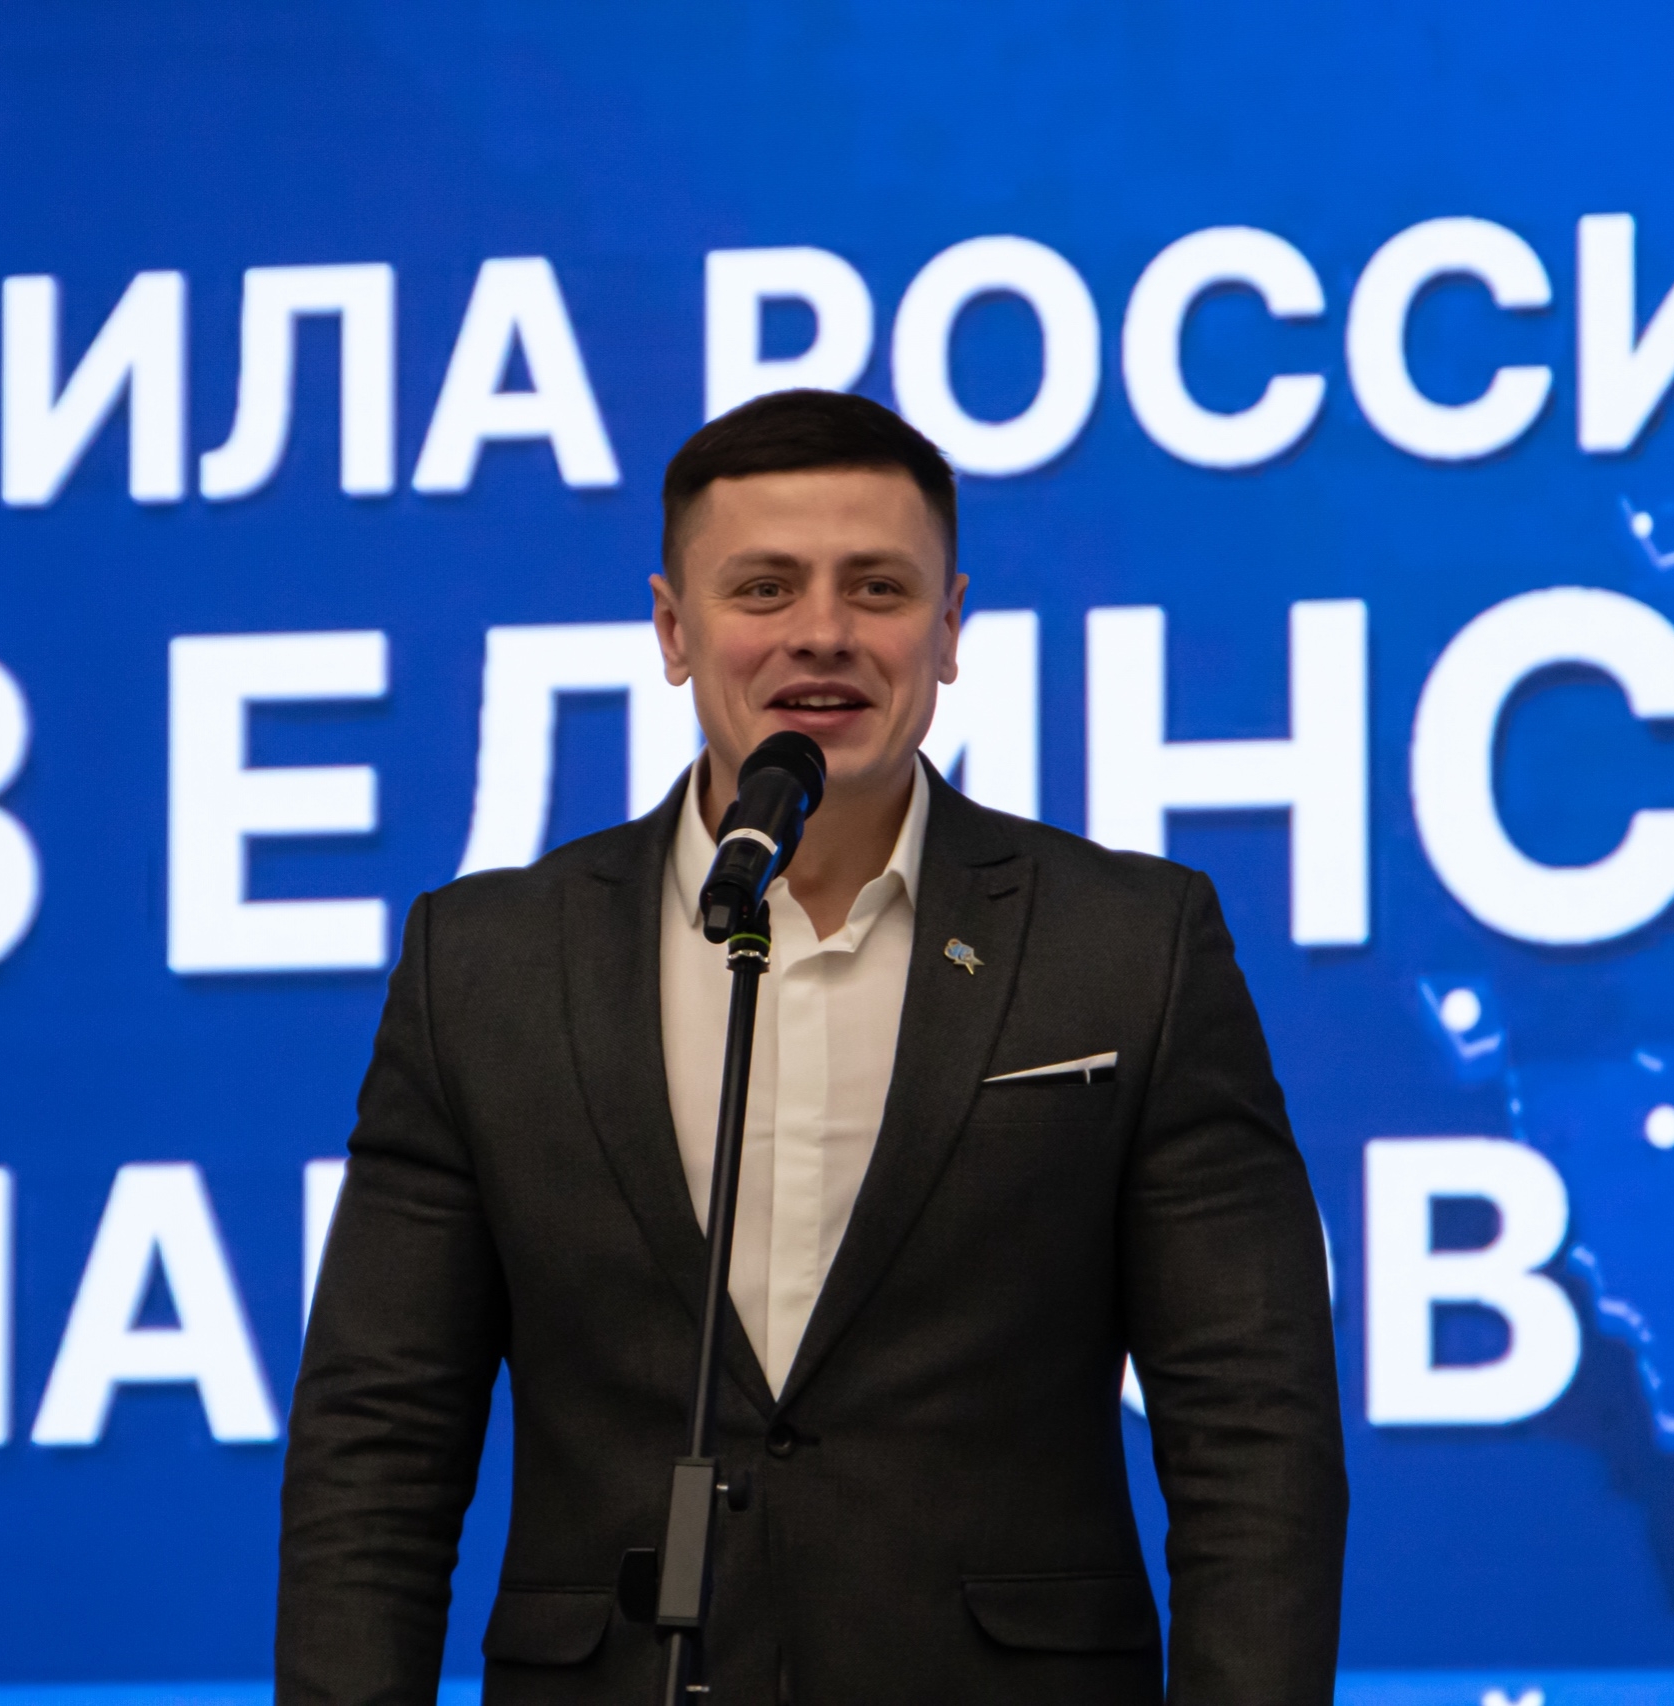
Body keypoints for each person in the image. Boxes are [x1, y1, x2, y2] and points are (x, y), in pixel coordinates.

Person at [278, 389, 1346, 1706]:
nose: (823, 632)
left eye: (878, 587)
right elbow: (376, 1441)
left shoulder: (1130, 945)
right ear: (675, 629)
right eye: (765, 587)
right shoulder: (486, 963)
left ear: (949, 628)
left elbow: (1254, 1431)